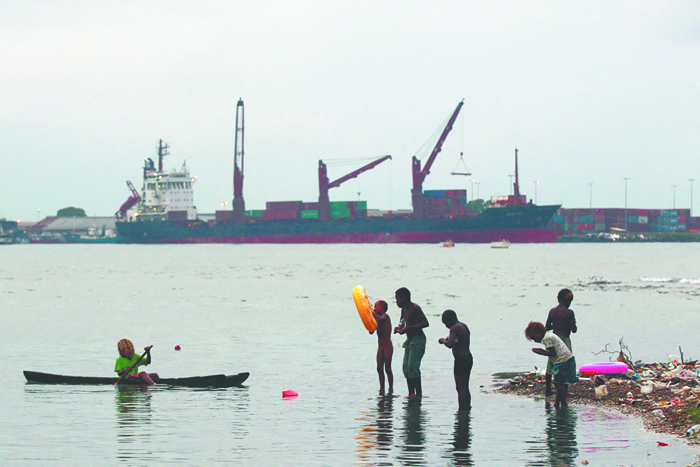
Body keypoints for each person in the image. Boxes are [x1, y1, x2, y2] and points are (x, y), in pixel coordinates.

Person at [525, 321, 577, 409]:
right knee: (561, 383)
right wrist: (542, 351)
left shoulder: (546, 338)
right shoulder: (549, 335)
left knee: (558, 383)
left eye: (534, 338)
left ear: (538, 333)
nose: (534, 340)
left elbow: (552, 353)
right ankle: (557, 403)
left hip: (563, 361)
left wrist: (540, 353)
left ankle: (563, 403)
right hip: (568, 359)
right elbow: (552, 351)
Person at [394, 287, 429, 397]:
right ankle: (411, 393)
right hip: (409, 340)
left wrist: (410, 328)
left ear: (404, 298)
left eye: (398, 299)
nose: (397, 302)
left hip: (418, 340)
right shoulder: (403, 309)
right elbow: (402, 322)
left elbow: (425, 323)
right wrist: (399, 328)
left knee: (413, 367)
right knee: (406, 368)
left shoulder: (415, 308)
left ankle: (418, 394)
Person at [544, 289, 577, 397]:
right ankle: (565, 391)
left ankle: (548, 389)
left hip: (553, 339)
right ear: (569, 301)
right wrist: (572, 323)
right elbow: (574, 329)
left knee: (551, 364)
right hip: (564, 340)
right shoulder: (570, 312)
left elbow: (547, 327)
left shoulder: (552, 311)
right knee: (566, 364)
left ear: (558, 299)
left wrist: (557, 325)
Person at [438, 309, 472, 411]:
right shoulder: (463, 326)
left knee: (460, 388)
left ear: (450, 319)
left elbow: (449, 344)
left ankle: (462, 410)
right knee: (465, 387)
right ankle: (467, 408)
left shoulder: (454, 328)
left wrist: (442, 340)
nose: (446, 326)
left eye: (446, 323)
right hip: (468, 358)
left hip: (460, 360)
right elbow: (458, 340)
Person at [370, 300, 393, 393]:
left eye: (376, 307)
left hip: (387, 345)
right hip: (380, 346)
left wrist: (370, 312)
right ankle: (382, 388)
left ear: (382, 308)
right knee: (379, 368)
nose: (375, 308)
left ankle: (391, 388)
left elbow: (381, 319)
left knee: (387, 367)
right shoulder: (377, 320)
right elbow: (371, 331)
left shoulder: (385, 317)